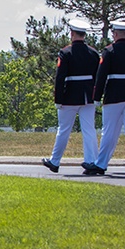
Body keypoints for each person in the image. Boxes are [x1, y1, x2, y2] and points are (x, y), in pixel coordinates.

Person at [87, 21, 125, 176]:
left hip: (114, 94)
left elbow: (101, 75)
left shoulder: (109, 51)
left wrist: (97, 96)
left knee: (109, 132)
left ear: (116, 33)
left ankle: (101, 164)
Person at [43, 19, 100, 174]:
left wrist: (58, 99)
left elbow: (60, 77)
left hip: (69, 96)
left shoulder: (66, 52)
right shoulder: (94, 53)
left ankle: (55, 161)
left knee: (64, 130)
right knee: (89, 130)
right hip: (88, 96)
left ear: (72, 34)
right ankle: (91, 161)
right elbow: (97, 76)